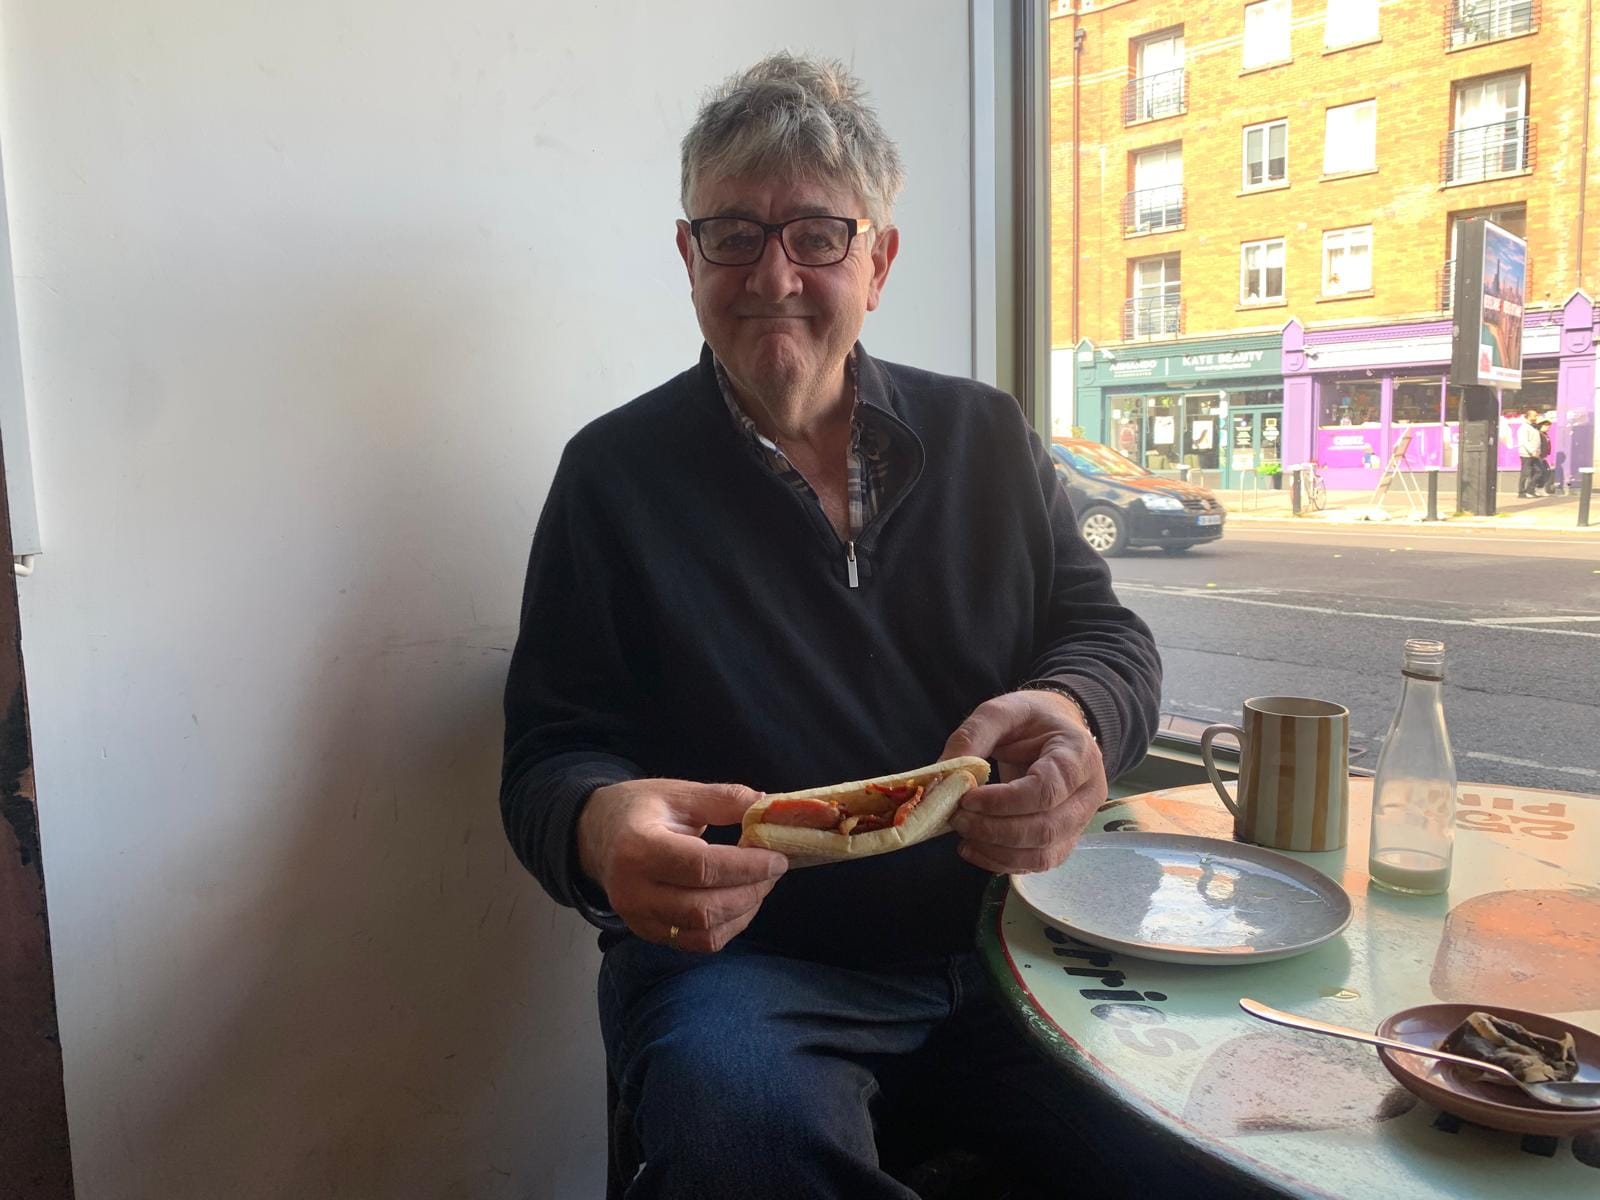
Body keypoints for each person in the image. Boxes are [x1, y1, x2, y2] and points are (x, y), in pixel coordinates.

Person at [500, 53, 1162, 1200]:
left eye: (817, 235)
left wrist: (1072, 716)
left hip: (1017, 939)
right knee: (739, 1136)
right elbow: (549, 752)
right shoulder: (611, 476)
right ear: (686, 255)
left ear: (878, 260)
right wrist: (601, 829)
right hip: (750, 968)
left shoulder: (989, 437)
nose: (774, 275)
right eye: (733, 235)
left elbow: (1105, 637)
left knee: (1216, 1142)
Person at [1517, 408, 1544, 496]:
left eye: (1537, 415)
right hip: (1527, 454)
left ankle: (1530, 490)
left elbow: (1536, 440)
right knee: (1525, 473)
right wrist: (1532, 451)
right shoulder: (1524, 427)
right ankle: (1522, 492)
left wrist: (1537, 451)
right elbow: (1524, 441)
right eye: (1534, 415)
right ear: (1528, 416)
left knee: (1539, 471)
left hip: (1535, 454)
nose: (1536, 417)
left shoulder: (1533, 427)